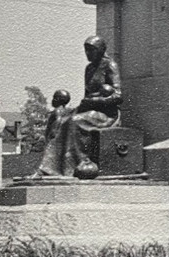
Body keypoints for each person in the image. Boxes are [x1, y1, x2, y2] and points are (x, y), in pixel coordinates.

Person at [32, 36, 122, 180]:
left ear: (100, 50)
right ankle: (49, 168)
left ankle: (80, 163)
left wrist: (97, 100)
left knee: (74, 121)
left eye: (91, 50)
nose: (88, 54)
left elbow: (118, 96)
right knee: (62, 120)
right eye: (86, 50)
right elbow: (88, 95)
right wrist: (87, 102)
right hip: (90, 110)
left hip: (107, 114)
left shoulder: (110, 65)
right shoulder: (89, 69)